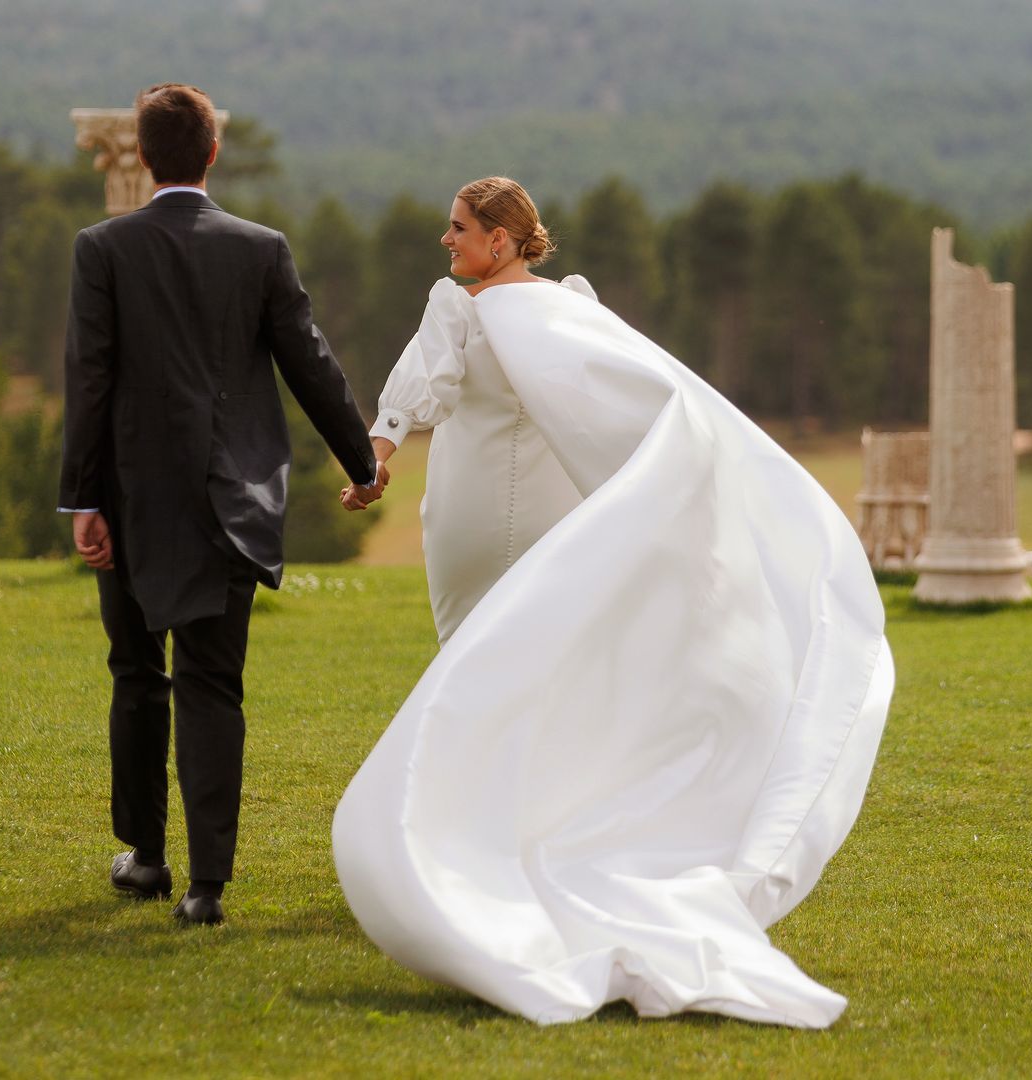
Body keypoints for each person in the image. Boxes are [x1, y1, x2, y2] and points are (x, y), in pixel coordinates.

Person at [333, 176, 894, 1026]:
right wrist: (377, 449)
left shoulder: (469, 308)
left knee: (475, 667)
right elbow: (621, 392)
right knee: (542, 673)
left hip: (481, 515)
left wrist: (379, 449)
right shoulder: (563, 310)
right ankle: (514, 835)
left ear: (503, 239)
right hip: (545, 518)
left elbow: (417, 393)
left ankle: (467, 845)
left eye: (459, 229)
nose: (446, 243)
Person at [58, 83, 383, 926]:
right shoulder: (262, 248)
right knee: (212, 686)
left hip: (132, 504)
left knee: (136, 675)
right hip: (231, 502)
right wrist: (364, 460)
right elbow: (309, 362)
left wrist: (82, 500)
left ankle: (147, 859)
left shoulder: (102, 248)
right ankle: (206, 889)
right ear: (212, 153)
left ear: (145, 150)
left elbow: (89, 380)